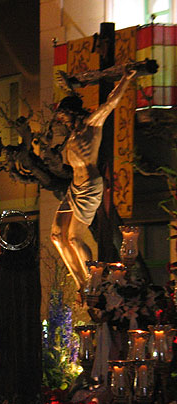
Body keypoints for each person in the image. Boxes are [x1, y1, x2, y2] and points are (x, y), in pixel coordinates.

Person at [50, 68, 138, 291]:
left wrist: (126, 79)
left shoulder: (92, 125)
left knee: (73, 239)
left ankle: (92, 280)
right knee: (56, 236)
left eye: (64, 115)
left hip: (90, 186)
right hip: (74, 188)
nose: (62, 120)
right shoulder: (72, 136)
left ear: (73, 112)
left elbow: (110, 103)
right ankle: (79, 280)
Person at [0, 221, 41, 404]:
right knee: (26, 358)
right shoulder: (31, 265)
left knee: (6, 362)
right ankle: (27, 400)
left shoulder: (4, 265)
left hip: (8, 325)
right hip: (28, 325)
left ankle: (7, 401)